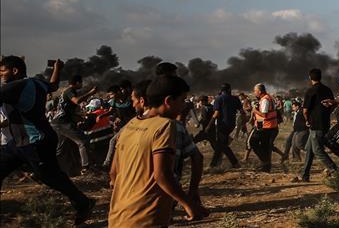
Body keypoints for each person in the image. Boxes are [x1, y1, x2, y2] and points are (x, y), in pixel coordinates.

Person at [0, 56, 95, 225]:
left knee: (52, 177)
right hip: (21, 142)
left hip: (35, 142)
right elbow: (53, 85)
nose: (1, 74)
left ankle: (83, 203)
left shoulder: (15, 87)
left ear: (14, 71)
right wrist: (57, 68)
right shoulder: (36, 82)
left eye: (3, 71)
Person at [109, 75, 208, 226]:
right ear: (168, 101)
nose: (183, 106)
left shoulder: (130, 125)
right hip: (147, 215)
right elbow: (162, 175)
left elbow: (113, 172)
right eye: (182, 100)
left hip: (119, 214)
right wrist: (189, 204)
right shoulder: (165, 125)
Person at [53, 74, 96, 173]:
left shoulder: (64, 92)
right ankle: (85, 168)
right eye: (81, 83)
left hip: (56, 123)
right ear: (77, 83)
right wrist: (91, 93)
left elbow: (69, 111)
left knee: (60, 149)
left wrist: (82, 115)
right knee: (83, 141)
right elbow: (77, 101)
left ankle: (49, 169)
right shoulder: (70, 91)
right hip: (62, 123)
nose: (82, 85)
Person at [208, 83, 240, 169]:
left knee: (223, 145)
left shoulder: (219, 98)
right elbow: (242, 112)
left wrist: (209, 125)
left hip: (222, 125)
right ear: (229, 89)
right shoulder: (235, 99)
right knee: (220, 145)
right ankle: (214, 165)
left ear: (221, 90)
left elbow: (216, 113)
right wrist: (243, 124)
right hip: (232, 125)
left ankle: (235, 163)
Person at [249, 83, 279, 172]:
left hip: (266, 127)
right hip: (271, 126)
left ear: (260, 91)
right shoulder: (268, 97)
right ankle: (266, 167)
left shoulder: (265, 100)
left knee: (253, 142)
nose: (254, 92)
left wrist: (255, 110)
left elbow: (264, 115)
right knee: (265, 147)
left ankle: (265, 162)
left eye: (255, 91)